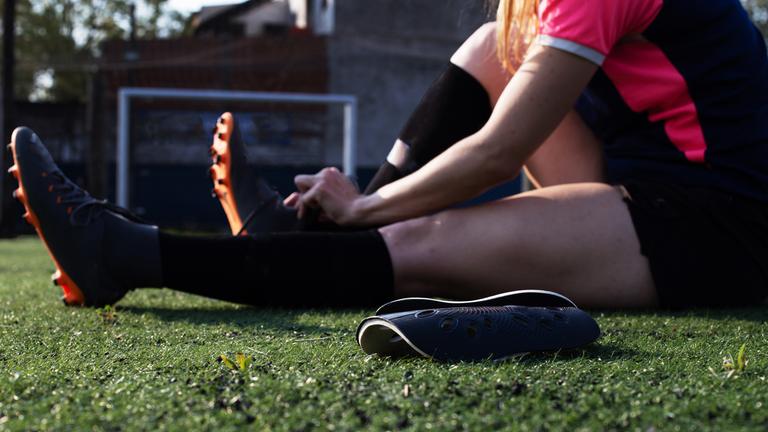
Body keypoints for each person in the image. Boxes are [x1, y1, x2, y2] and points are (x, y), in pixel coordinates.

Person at [8, 0, 768, 309]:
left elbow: (500, 152)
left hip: (720, 221)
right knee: (499, 44)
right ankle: (313, 236)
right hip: (640, 179)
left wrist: (368, 206)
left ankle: (126, 253)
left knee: (419, 243)